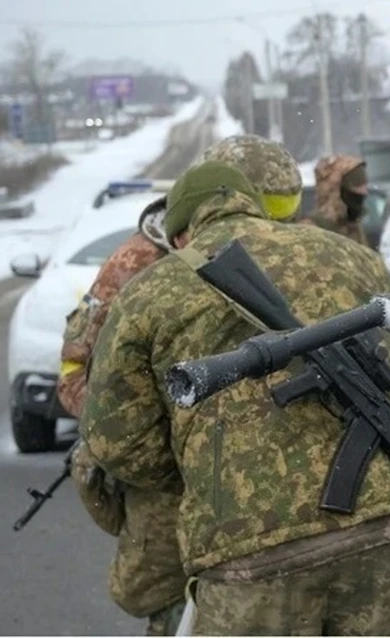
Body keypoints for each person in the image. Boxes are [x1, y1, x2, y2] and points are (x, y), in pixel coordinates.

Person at [78, 160, 390, 636]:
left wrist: (204, 465)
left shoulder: (148, 291)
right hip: (385, 529)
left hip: (246, 552)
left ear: (182, 232)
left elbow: (114, 439)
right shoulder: (353, 256)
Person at [59, 134, 305, 635]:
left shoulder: (285, 252)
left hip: (260, 478)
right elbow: (77, 376)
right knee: (173, 603)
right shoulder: (138, 265)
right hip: (171, 480)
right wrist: (170, 449)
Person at [299, 154, 373, 247]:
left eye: (364, 186)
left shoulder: (354, 227)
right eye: (357, 186)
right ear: (337, 191)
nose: (364, 192)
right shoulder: (309, 231)